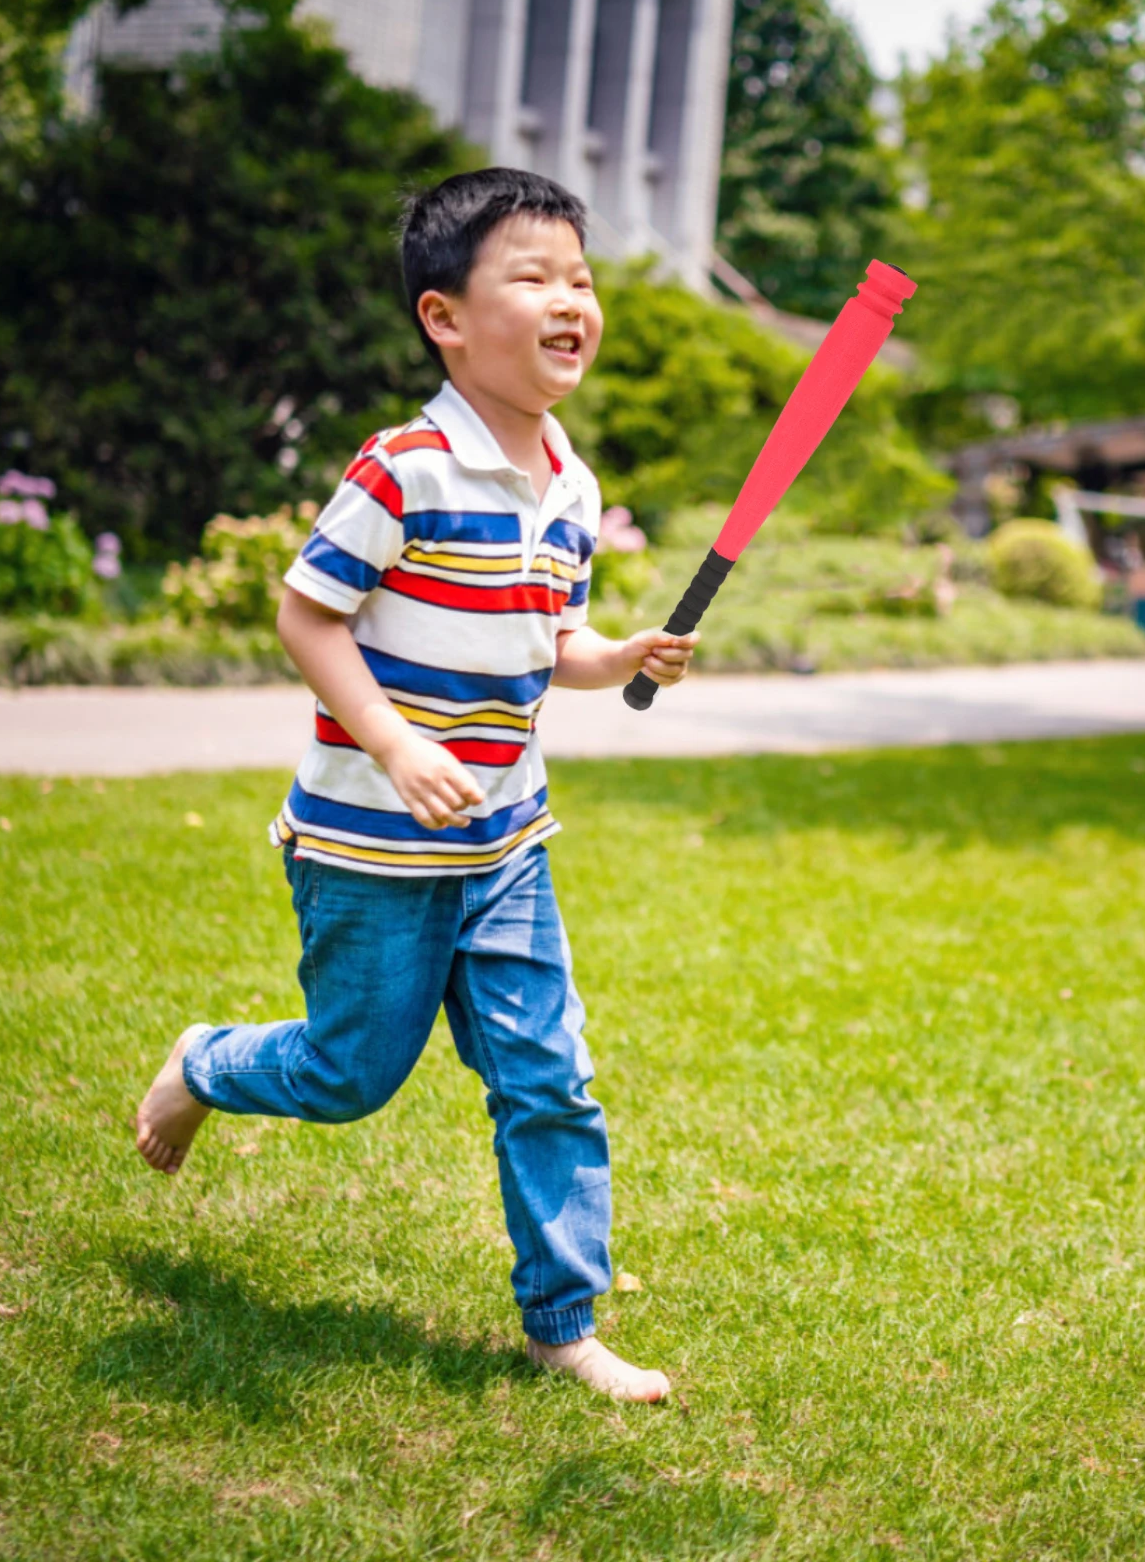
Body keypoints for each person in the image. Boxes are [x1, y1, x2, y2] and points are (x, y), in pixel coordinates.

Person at [135, 168, 697, 1403]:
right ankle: (207, 1062)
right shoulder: (404, 467)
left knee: (549, 1079)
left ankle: (562, 1321)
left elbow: (553, 647)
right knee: (349, 1075)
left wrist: (624, 658)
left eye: (582, 279)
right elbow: (305, 614)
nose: (571, 301)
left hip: (503, 843)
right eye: (534, 277)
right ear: (445, 316)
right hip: (372, 847)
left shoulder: (572, 486)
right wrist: (392, 741)